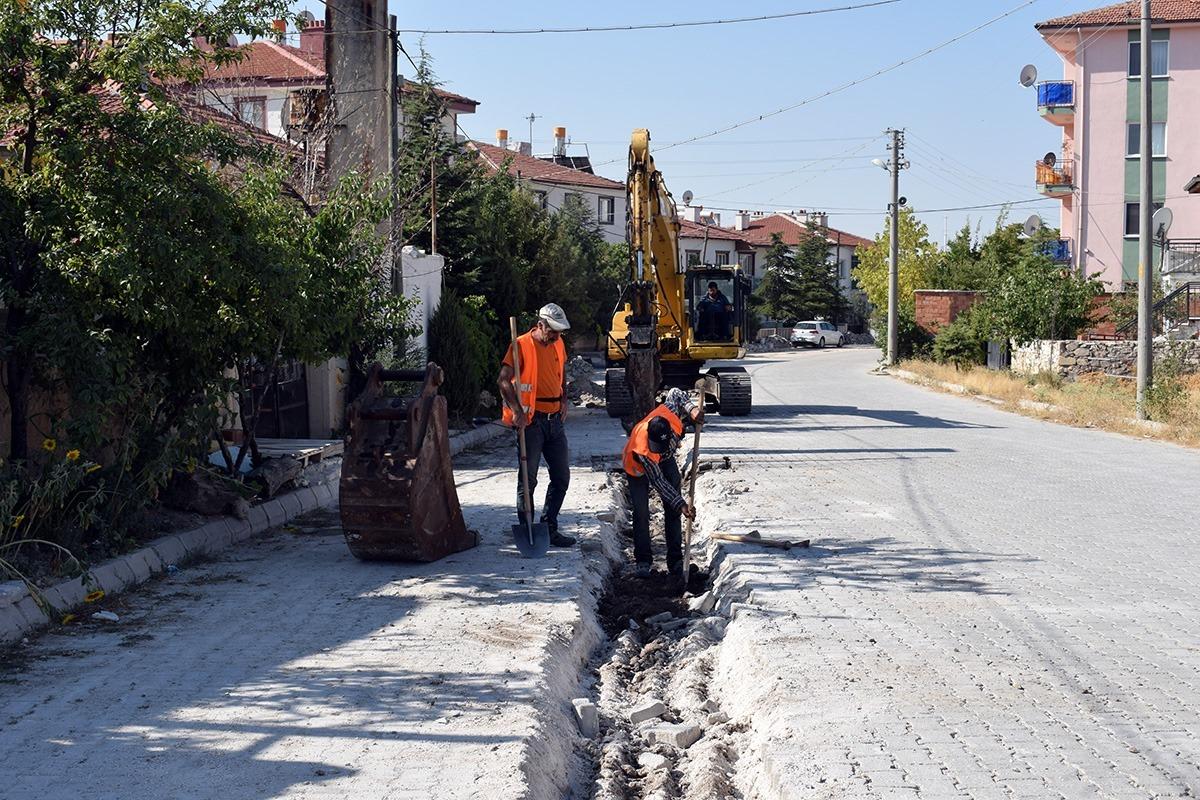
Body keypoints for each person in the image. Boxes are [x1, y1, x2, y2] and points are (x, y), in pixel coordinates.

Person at [497, 303, 576, 547]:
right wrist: (516, 411)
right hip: (531, 423)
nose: (557, 336)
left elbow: (561, 375)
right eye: (553, 331)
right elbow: (503, 381)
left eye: (560, 332)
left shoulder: (558, 344)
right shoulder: (520, 345)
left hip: (555, 422)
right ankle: (527, 530)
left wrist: (564, 399)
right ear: (540, 325)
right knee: (528, 479)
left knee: (561, 476)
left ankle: (549, 526)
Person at [622, 388, 703, 587]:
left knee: (673, 511)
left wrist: (692, 409)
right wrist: (681, 504)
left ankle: (675, 561)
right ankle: (643, 561)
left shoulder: (669, 413)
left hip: (666, 459)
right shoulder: (643, 450)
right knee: (641, 512)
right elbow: (659, 483)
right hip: (637, 468)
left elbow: (676, 392)